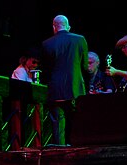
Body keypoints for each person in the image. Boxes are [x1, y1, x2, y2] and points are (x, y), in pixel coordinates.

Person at [41, 15, 90, 145]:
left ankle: (60, 152)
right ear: (68, 26)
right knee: (76, 121)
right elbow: (85, 67)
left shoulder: (46, 43)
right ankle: (78, 150)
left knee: (57, 122)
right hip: (75, 88)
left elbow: (46, 69)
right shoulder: (80, 40)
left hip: (56, 89)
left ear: (54, 27)